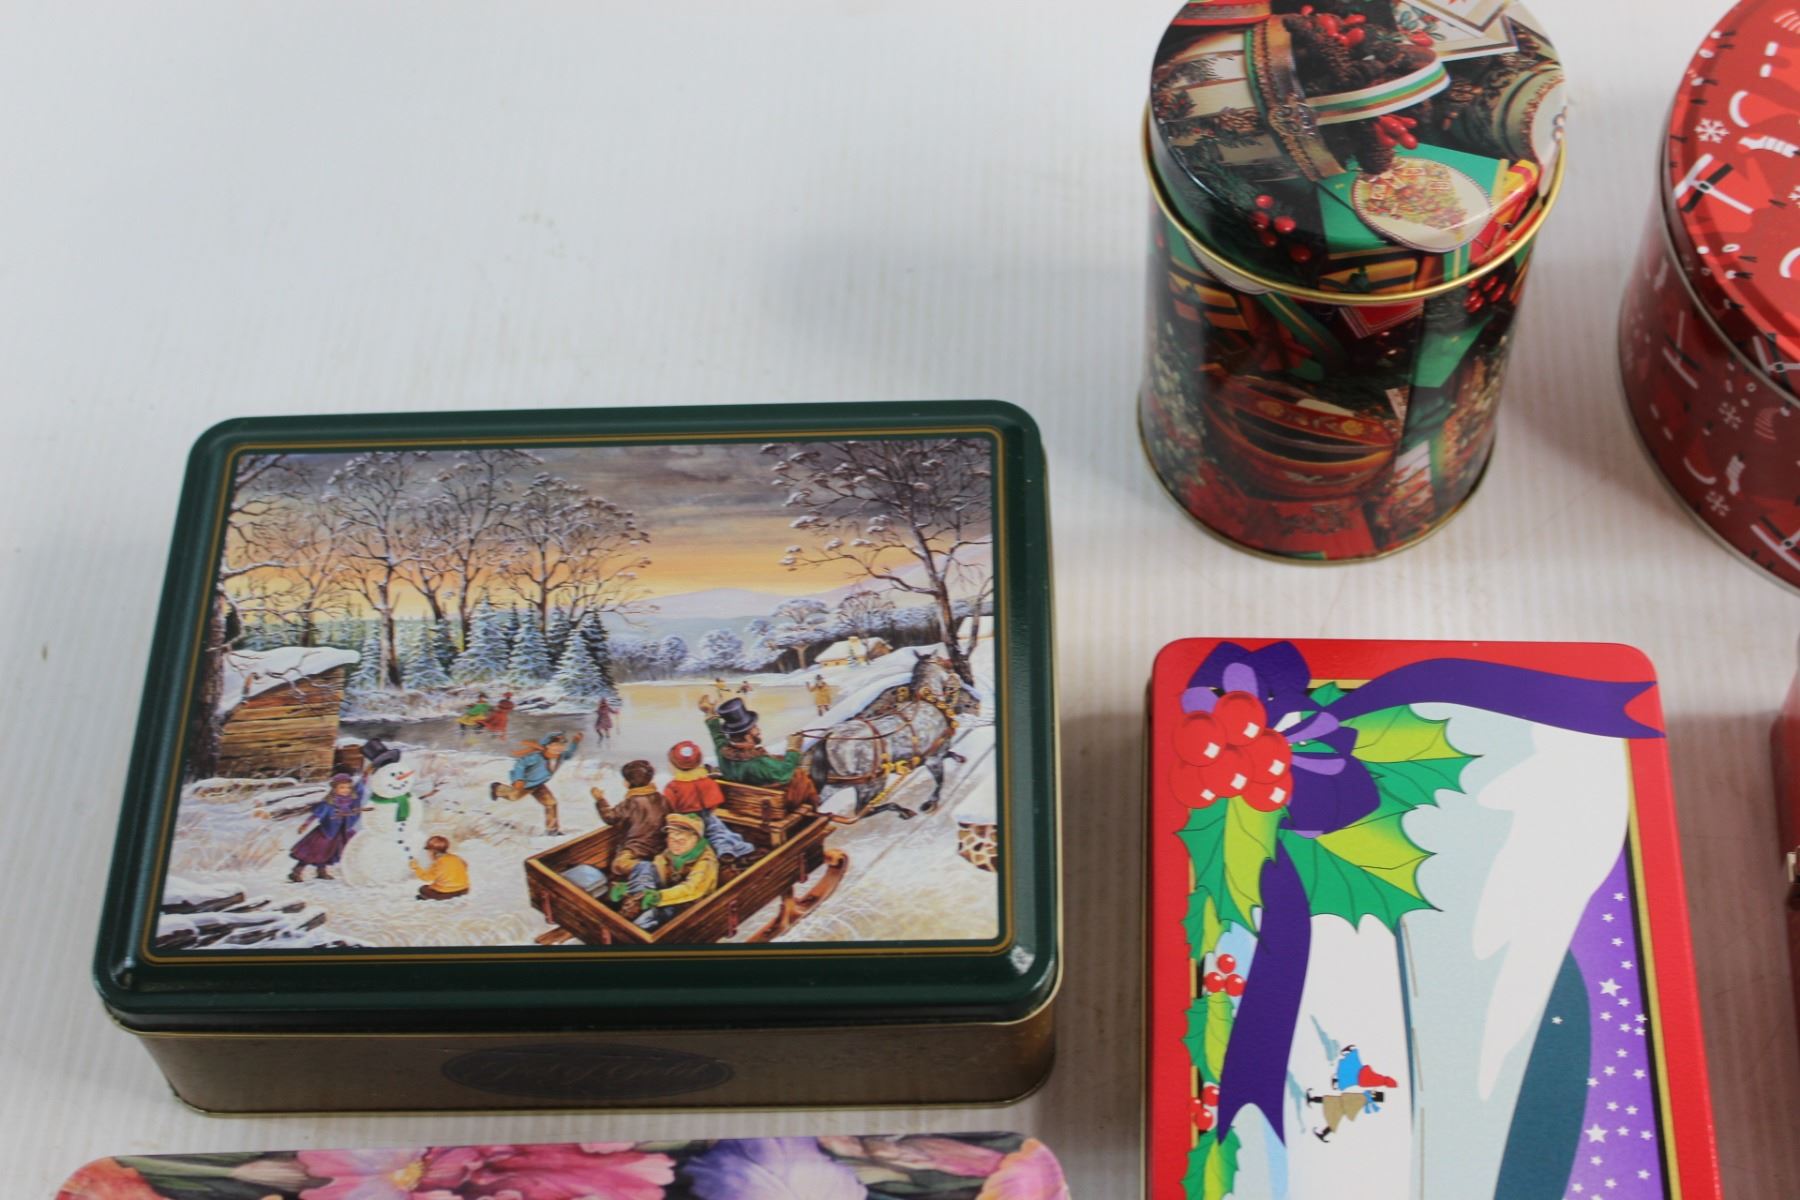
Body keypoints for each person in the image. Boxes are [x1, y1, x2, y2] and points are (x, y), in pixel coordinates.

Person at [699, 695, 820, 810]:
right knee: (799, 776)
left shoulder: (723, 751)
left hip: (739, 801)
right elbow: (785, 773)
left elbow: (717, 736)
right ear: (747, 737)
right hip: (766, 805)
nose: (759, 730)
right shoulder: (757, 762)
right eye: (755, 727)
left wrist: (709, 713)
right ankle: (815, 806)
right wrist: (793, 748)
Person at [610, 812, 719, 931]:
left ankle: (637, 915)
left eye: (681, 841)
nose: (675, 845)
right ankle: (635, 899)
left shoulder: (706, 861)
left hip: (687, 903)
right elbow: (657, 869)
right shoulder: (671, 852)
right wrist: (631, 887)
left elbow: (691, 889)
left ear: (695, 839)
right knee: (644, 866)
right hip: (666, 893)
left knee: (644, 921)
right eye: (671, 840)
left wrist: (657, 897)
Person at [662, 740, 758, 861]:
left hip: (685, 819)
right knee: (718, 831)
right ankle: (726, 849)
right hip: (706, 814)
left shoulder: (672, 787)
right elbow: (715, 801)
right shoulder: (707, 781)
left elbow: (669, 807)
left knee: (690, 837)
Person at [491, 731, 582, 836]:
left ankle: (552, 830)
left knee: (551, 803)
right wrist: (518, 779)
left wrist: (575, 742)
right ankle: (497, 788)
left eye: (562, 745)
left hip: (539, 784)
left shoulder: (561, 756)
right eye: (555, 745)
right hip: (526, 783)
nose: (559, 748)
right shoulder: (537, 757)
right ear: (547, 746)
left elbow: (569, 754)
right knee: (513, 796)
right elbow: (520, 763)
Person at [591, 760, 668, 877]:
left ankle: (647, 870)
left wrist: (600, 799)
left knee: (617, 865)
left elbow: (609, 817)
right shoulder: (662, 799)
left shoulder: (630, 803)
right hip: (659, 849)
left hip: (635, 851)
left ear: (627, 783)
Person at [288, 774, 369, 882]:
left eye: (348, 787)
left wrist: (365, 776)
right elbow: (316, 814)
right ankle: (296, 871)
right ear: (334, 788)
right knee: (316, 851)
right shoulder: (329, 803)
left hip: (340, 832)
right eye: (342, 787)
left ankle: (321, 871)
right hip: (326, 832)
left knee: (329, 851)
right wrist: (306, 824)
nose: (346, 790)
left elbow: (359, 790)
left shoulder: (351, 801)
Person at [1306, 1087, 1387, 1142]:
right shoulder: (1365, 1098)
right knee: (1333, 1116)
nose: (1373, 1092)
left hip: (1343, 1104)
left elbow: (1354, 1102)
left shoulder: (1364, 1098)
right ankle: (1323, 1134)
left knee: (1330, 1106)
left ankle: (1312, 1099)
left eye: (1375, 1094)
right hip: (1343, 1104)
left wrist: (1347, 1102)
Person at [409, 835, 470, 901]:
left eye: (428, 851)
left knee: (423, 889)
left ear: (432, 852)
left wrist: (416, 868)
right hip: (464, 890)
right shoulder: (455, 857)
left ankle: (428, 897)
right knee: (431, 887)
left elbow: (427, 878)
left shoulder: (437, 863)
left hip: (446, 893)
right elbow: (465, 866)